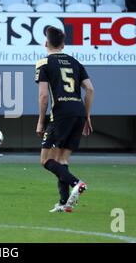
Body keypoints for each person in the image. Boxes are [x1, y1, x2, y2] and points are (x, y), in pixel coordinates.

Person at [35, 26, 94, 213]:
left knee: (45, 160)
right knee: (62, 160)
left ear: (46, 43)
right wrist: (87, 115)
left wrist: (40, 121)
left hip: (60, 114)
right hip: (78, 113)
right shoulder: (75, 62)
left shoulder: (43, 62)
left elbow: (44, 96)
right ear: (63, 44)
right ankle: (64, 202)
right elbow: (90, 89)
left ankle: (77, 183)